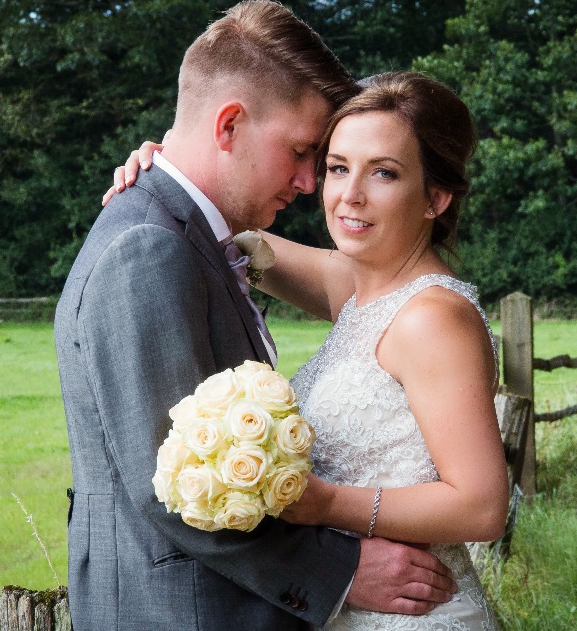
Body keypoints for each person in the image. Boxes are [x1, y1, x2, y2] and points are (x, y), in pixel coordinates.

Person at [55, 0, 458, 631]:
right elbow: (177, 489)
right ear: (229, 125)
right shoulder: (149, 248)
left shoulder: (195, 235)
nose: (309, 181)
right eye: (303, 151)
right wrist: (343, 569)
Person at [110, 71, 509, 629]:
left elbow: (482, 506)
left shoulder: (432, 320)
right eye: (338, 168)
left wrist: (324, 504)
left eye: (385, 173)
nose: (350, 195)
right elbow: (237, 237)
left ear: (435, 198)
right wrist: (169, 169)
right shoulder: (358, 285)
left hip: (418, 612)